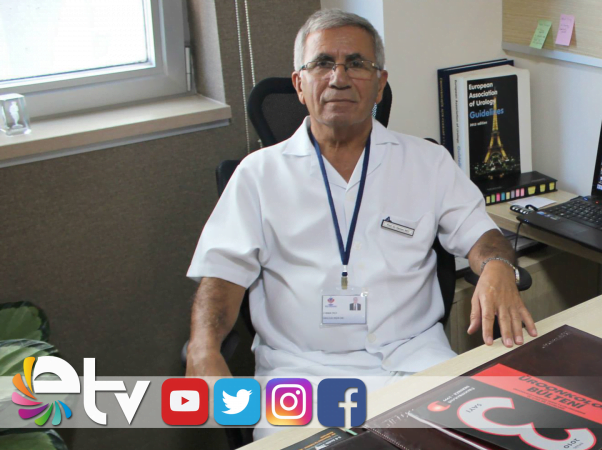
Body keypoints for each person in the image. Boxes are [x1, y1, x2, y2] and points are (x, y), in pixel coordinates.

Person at [185, 8, 536, 438]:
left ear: (380, 83)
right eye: (322, 63)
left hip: (414, 363)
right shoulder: (257, 176)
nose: (339, 77)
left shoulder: (427, 162)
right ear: (299, 84)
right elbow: (221, 277)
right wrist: (203, 347)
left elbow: (483, 235)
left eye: (356, 63)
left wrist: (498, 267)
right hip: (301, 376)